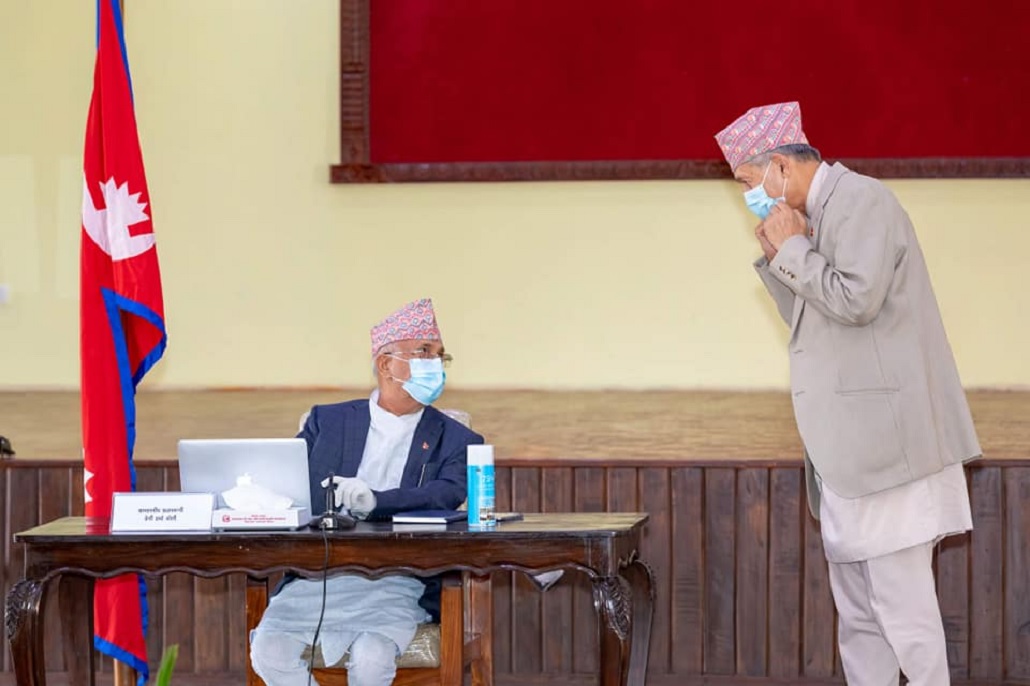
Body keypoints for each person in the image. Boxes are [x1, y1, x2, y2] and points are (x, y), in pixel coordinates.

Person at [714, 102, 981, 686]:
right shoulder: (812, 217)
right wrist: (782, 256)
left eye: (749, 181)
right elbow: (813, 320)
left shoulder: (862, 201)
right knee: (860, 618)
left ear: (781, 166)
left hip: (885, 452)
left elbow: (857, 300)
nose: (750, 196)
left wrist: (794, 252)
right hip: (846, 456)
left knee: (903, 612)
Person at [250, 298, 484, 686]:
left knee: (371, 657)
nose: (435, 364)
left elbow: (445, 494)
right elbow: (289, 483)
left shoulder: (457, 438)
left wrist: (378, 501)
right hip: (319, 578)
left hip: (398, 580)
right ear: (386, 364)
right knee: (268, 651)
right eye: (424, 352)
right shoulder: (328, 421)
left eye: (440, 355)